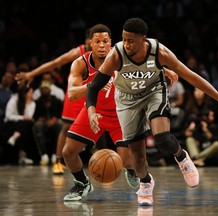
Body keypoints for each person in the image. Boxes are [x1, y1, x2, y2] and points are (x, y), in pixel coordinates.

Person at [86, 17, 218, 206]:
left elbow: (192, 77)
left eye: (131, 40)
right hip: (126, 100)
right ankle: (146, 183)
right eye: (124, 39)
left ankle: (182, 157)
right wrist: (91, 111)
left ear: (143, 39)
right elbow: (93, 87)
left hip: (153, 92)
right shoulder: (117, 54)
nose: (126, 44)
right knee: (137, 154)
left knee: (162, 137)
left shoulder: (159, 52)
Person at [62, 24, 140, 201]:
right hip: (93, 111)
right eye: (97, 41)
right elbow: (72, 94)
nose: (102, 45)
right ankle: (82, 183)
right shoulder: (81, 63)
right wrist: (93, 85)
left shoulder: (120, 55)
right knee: (68, 151)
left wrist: (166, 70)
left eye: (105, 41)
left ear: (111, 42)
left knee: (126, 160)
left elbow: (145, 63)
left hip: (120, 113)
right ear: (91, 43)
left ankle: (132, 170)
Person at [15, 28, 92, 174]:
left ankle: (103, 161)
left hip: (93, 91)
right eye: (90, 41)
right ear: (87, 41)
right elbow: (54, 63)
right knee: (65, 127)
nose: (92, 45)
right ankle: (58, 161)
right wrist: (32, 73)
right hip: (77, 91)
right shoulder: (78, 52)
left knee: (100, 126)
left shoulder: (107, 53)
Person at [3, 86, 37, 165]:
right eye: (31, 92)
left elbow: (29, 117)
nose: (32, 94)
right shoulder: (14, 100)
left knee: (28, 124)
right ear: (25, 94)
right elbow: (8, 116)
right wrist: (21, 117)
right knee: (24, 125)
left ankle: (16, 136)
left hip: (23, 125)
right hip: (10, 124)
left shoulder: (32, 103)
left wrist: (28, 103)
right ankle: (22, 156)